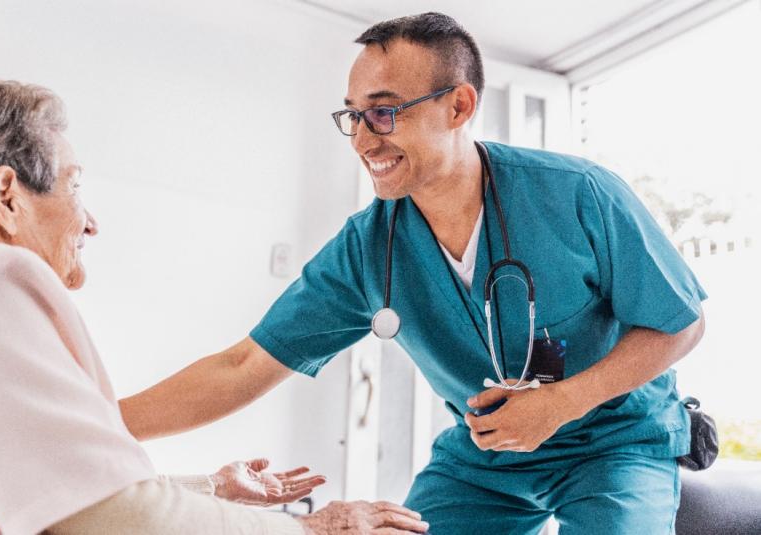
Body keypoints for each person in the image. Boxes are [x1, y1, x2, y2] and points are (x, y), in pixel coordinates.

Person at [118, 12, 708, 535]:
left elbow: (680, 324)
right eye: (352, 116)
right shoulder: (368, 248)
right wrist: (91, 425)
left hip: (615, 440)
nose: (362, 138)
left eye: (382, 112)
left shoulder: (576, 193)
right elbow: (243, 365)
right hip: (486, 458)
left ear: (459, 106)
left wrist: (564, 403)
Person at [0, 76, 429, 535]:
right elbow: (105, 519)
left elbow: (45, 493)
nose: (90, 221)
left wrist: (210, 491)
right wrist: (314, 531)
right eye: (73, 186)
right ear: (7, 197)